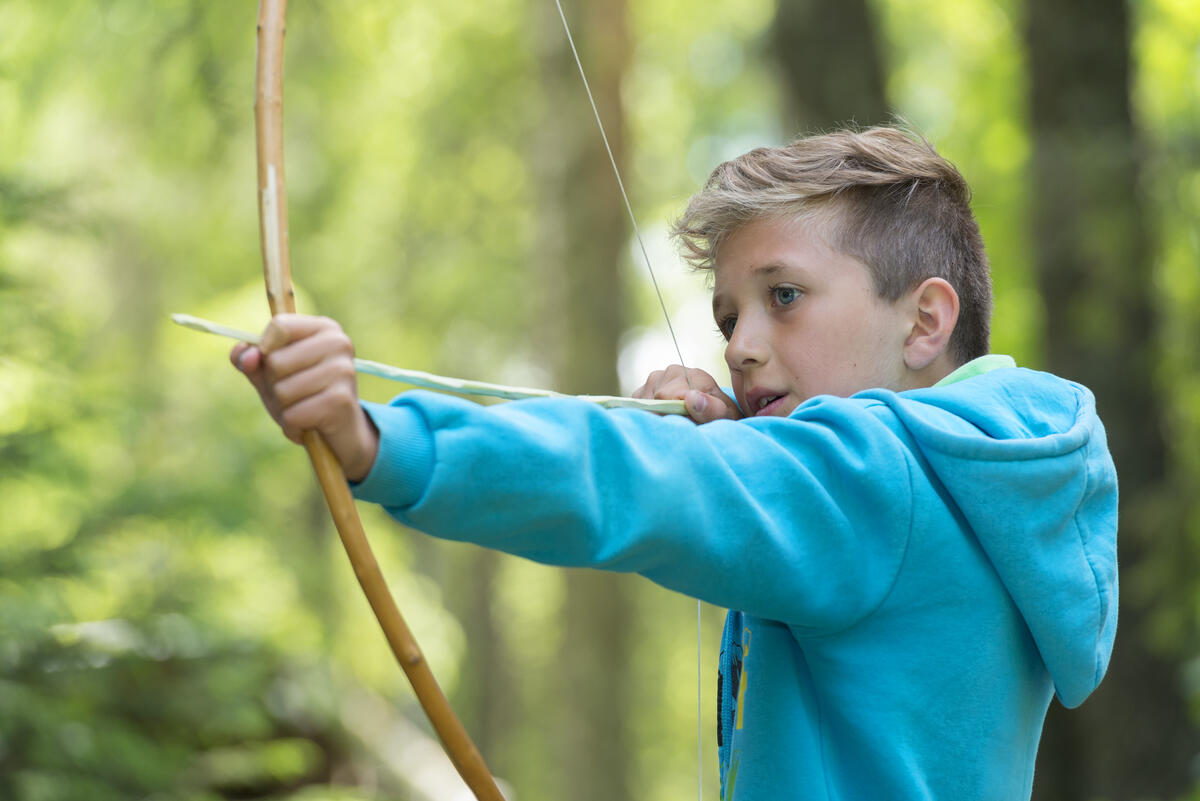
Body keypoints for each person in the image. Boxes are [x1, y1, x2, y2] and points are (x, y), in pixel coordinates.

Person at [231, 126, 1118, 801]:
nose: (741, 346)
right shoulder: (987, 482)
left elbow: (635, 481)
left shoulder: (873, 477)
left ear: (925, 321)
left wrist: (379, 440)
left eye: (784, 296)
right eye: (730, 317)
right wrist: (737, 443)